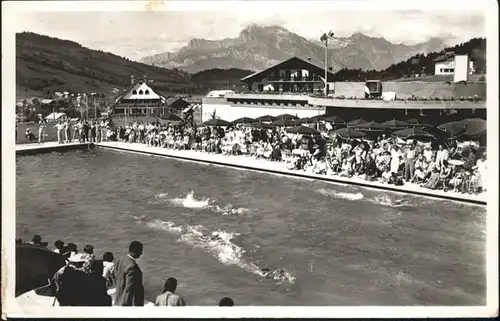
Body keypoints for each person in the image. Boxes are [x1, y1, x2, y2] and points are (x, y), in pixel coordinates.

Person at [113, 241, 145, 306]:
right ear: (135, 251)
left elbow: (116, 276)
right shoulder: (132, 266)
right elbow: (129, 289)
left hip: (118, 297)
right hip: (125, 302)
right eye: (140, 250)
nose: (141, 253)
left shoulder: (120, 259)